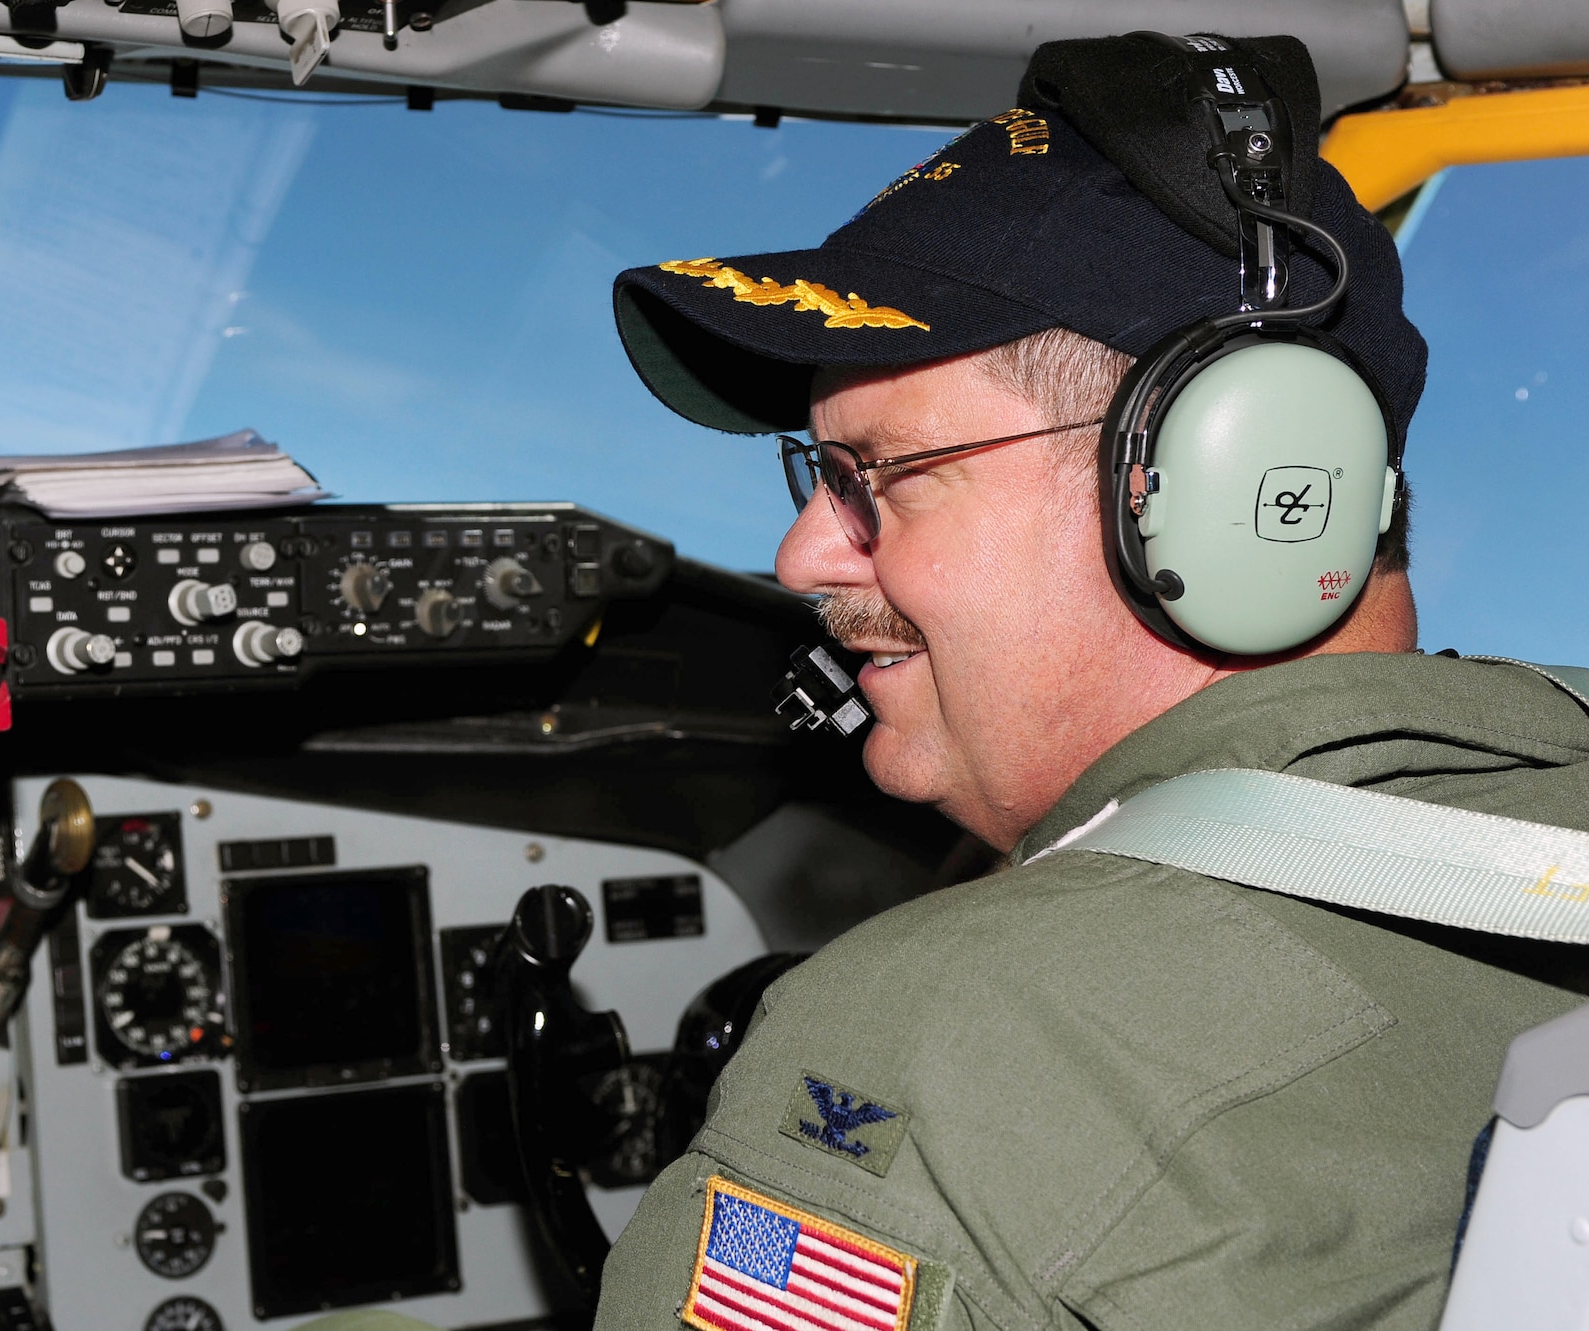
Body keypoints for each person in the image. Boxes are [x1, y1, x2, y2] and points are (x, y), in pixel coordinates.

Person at [597, 36, 1589, 1331]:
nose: (801, 556)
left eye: (874, 476)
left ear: (1242, 494)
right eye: (814, 478)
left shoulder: (955, 1033)